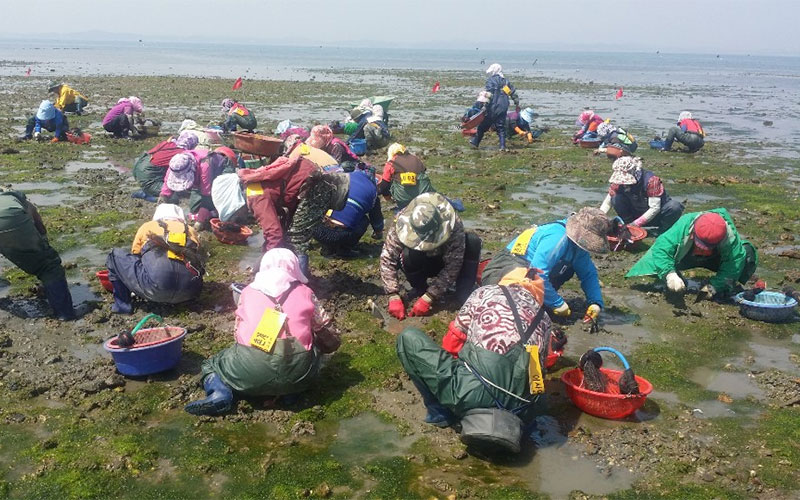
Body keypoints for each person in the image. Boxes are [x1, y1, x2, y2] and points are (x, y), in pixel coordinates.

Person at [184, 249, 341, 416]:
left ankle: (219, 392)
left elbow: (237, 336)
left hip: (250, 371)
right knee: (311, 351)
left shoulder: (247, 292)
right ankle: (290, 393)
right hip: (300, 375)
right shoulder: (306, 293)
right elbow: (330, 336)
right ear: (295, 268)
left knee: (212, 364)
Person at [396, 268, 551, 427]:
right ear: (538, 294)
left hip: (472, 393)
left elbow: (454, 339)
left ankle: (441, 412)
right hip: (522, 408)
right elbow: (540, 370)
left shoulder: (485, 293)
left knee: (408, 336)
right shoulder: (545, 318)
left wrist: (450, 377)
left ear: (506, 281)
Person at [481, 207, 613, 322]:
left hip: (530, 274)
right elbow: (536, 274)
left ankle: (539, 301)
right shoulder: (557, 236)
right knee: (512, 310)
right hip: (505, 269)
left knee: (568, 269)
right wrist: (557, 303)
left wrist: (596, 302)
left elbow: (588, 274)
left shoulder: (578, 247)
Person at [237, 156, 350, 272]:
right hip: (315, 180)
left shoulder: (255, 197)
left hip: (315, 188)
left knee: (296, 240)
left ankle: (298, 283)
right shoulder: (253, 182)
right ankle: (291, 276)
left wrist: (264, 265)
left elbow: (274, 234)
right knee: (289, 237)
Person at [380, 192, 482, 319]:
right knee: (407, 255)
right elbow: (388, 256)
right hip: (422, 260)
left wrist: (431, 296)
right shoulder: (402, 220)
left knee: (473, 241)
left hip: (443, 259)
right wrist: (393, 294)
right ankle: (420, 287)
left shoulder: (452, 223)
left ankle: (463, 291)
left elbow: (453, 264)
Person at [626, 209, 758, 299]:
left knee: (746, 253)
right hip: (686, 256)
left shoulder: (729, 237)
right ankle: (675, 274)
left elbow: (734, 261)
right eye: (702, 245)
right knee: (658, 263)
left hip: (714, 258)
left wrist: (715, 286)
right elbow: (661, 249)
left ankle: (725, 287)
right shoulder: (684, 225)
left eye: (708, 246)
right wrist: (670, 274)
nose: (704, 249)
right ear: (693, 233)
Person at [105, 204, 204, 314]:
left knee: (114, 255)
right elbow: (199, 261)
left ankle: (122, 306)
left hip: (155, 289)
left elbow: (135, 255)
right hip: (190, 291)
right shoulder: (191, 230)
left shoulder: (148, 227)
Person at [0, 189, 74, 320]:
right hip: (8, 217)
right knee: (49, 267)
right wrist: (44, 246)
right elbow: (38, 224)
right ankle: (65, 314)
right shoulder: (15, 198)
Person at [599, 157, 684, 234]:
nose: (624, 184)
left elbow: (655, 208)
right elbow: (607, 202)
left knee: (674, 206)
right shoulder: (618, 182)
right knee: (615, 198)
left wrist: (635, 224)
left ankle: (662, 231)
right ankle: (627, 226)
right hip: (635, 212)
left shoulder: (651, 180)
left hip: (657, 215)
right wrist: (599, 216)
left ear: (634, 172)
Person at [313, 169, 384, 257]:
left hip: (317, 230)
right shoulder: (373, 193)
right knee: (364, 220)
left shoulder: (342, 178)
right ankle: (344, 249)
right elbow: (376, 218)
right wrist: (378, 233)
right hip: (338, 235)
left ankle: (327, 248)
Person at [131, 131, 200, 201]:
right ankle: (145, 194)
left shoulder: (168, 143)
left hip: (138, 168)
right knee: (174, 197)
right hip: (148, 175)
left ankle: (148, 188)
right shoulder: (182, 155)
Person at [470, 63, 520, 151]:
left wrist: (480, 105)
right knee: (501, 127)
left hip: (492, 106)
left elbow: (488, 94)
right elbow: (512, 94)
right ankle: (502, 146)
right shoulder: (505, 82)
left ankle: (475, 142)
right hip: (503, 106)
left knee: (482, 126)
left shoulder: (491, 80)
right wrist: (516, 103)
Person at [378, 143, 436, 210]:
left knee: (389, 180)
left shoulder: (391, 163)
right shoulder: (416, 159)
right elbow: (423, 170)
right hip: (423, 193)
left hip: (403, 197)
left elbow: (384, 185)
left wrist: (388, 198)